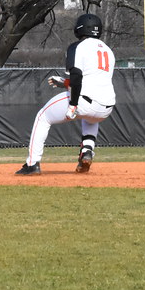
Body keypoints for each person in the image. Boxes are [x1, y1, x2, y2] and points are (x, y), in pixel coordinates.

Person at [16, 13, 116, 175]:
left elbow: (77, 76)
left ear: (80, 28)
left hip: (83, 101)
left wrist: (73, 104)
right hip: (106, 107)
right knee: (90, 118)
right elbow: (92, 81)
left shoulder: (77, 47)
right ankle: (87, 150)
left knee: (43, 117)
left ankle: (32, 164)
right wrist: (65, 83)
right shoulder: (108, 51)